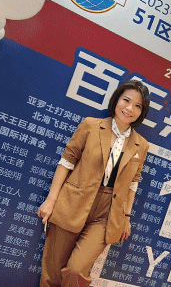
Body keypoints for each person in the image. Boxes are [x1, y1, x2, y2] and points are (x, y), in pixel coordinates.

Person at [36, 81, 152, 287]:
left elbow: (133, 183)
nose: (129, 109)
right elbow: (67, 161)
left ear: (141, 112)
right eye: (126, 100)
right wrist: (51, 200)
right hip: (73, 201)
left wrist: (126, 216)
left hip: (107, 213)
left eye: (138, 106)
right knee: (52, 271)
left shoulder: (141, 145)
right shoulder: (91, 125)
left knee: (76, 269)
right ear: (116, 100)